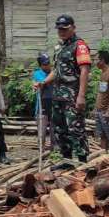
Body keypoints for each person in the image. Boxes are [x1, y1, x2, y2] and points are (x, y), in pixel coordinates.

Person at [33, 15, 91, 162]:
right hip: (57, 96)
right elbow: (56, 70)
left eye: (65, 28)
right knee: (60, 130)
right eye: (59, 29)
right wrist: (44, 82)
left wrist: (81, 96)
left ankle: (83, 162)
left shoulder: (80, 46)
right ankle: (66, 161)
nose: (62, 31)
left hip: (72, 96)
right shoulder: (59, 47)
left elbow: (84, 70)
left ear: (73, 27)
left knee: (76, 129)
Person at [32, 53, 55, 149]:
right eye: (45, 64)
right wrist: (38, 84)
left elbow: (49, 80)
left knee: (54, 129)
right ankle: (41, 149)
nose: (47, 66)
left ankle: (54, 149)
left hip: (54, 104)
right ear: (40, 65)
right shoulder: (37, 74)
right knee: (42, 131)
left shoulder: (54, 72)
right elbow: (42, 83)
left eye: (48, 63)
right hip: (43, 105)